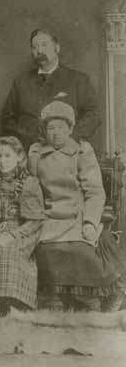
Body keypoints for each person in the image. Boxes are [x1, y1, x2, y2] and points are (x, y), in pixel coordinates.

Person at [28, 101, 126, 311]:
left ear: (71, 128)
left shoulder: (81, 151)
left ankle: (90, 301)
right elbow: (30, 189)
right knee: (46, 250)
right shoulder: (36, 153)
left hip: (77, 216)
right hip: (49, 217)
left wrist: (90, 221)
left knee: (82, 251)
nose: (55, 133)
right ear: (44, 130)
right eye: (51, 128)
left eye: (61, 128)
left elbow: (95, 191)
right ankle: (56, 299)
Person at [0, 136, 45, 318]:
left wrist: (13, 235)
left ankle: (15, 306)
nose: (3, 161)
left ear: (19, 157)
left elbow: (35, 220)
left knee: (9, 252)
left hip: (23, 229)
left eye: (8, 156)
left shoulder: (28, 182)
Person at [1, 28, 101, 150]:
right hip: (28, 152)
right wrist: (25, 138)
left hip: (67, 154)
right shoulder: (21, 82)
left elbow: (93, 115)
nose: (39, 50)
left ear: (57, 48)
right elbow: (7, 119)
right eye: (34, 47)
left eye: (44, 45)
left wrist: (70, 138)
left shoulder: (78, 80)